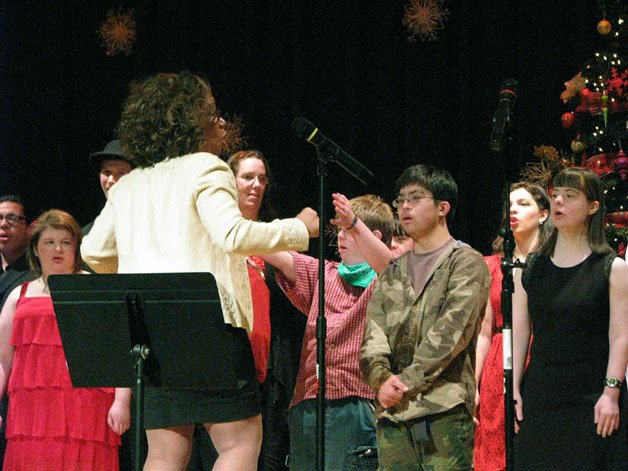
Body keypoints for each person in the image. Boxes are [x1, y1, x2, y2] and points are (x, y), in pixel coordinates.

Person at [81, 71, 319, 471]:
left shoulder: (129, 184)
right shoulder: (206, 168)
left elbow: (93, 250)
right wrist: (300, 227)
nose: (220, 122)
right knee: (240, 442)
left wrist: (141, 262)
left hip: (152, 331)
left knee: (165, 452)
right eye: (212, 113)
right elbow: (232, 233)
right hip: (205, 321)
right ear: (191, 119)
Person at [360, 164, 490, 470]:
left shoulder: (465, 262)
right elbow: (373, 335)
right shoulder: (393, 271)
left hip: (443, 411)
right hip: (393, 415)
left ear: (442, 207)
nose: (405, 206)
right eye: (401, 200)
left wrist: (405, 381)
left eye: (415, 198)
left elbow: (451, 333)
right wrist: (381, 380)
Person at [262, 193, 395, 470]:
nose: (340, 238)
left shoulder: (387, 282)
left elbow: (393, 269)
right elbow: (265, 248)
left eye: (348, 230)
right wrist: (295, 225)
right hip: (309, 405)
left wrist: (356, 222)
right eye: (339, 231)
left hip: (357, 405)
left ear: (374, 235)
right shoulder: (324, 273)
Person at [513, 167, 628, 470]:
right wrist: (513, 388)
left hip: (592, 398)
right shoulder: (532, 267)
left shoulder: (611, 267)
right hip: (541, 395)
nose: (558, 202)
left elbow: (621, 336)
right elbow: (521, 331)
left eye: (570, 195)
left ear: (593, 207)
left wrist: (611, 392)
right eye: (555, 195)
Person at [0, 209, 129, 469]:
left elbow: (117, 352)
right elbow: (3, 361)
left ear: (75, 248)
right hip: (32, 412)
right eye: (49, 242)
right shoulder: (19, 295)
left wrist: (121, 401)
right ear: (36, 249)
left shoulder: (94, 291)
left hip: (86, 407)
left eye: (65, 243)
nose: (57, 249)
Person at [473, 182, 550, 471]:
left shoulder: (553, 264)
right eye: (510, 205)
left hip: (541, 358)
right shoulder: (492, 265)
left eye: (523, 203)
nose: (514, 210)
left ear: (544, 214)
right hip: (498, 362)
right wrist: (474, 385)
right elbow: (483, 332)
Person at [0, 194, 35, 465]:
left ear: (29, 227)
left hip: (14, 376)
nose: (3, 225)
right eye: (0, 219)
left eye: (12, 219)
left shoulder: (34, 276)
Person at [83, 139, 135, 235]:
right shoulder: (88, 234)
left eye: (121, 173)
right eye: (106, 172)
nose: (111, 180)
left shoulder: (149, 225)